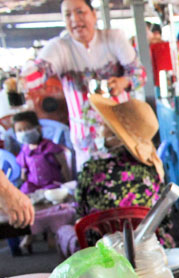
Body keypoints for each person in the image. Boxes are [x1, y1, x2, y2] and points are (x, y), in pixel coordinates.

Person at [23, 0, 146, 171]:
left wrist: (122, 82)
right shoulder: (60, 47)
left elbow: (140, 74)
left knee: (130, 183)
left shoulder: (114, 38)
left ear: (94, 14)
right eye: (68, 14)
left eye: (80, 12)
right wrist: (23, 77)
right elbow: (37, 73)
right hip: (86, 139)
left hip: (121, 133)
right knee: (93, 187)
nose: (74, 19)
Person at [71, 94, 172, 248]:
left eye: (103, 126)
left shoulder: (91, 170)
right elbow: (165, 219)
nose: (98, 131)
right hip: (151, 252)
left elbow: (80, 215)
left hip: (104, 255)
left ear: (116, 137)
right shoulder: (154, 170)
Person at [13, 111, 70, 195]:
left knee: (52, 193)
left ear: (38, 128)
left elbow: (64, 167)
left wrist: (67, 185)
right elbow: (23, 174)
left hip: (52, 185)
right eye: (19, 130)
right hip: (33, 187)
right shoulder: (24, 151)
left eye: (27, 128)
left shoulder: (50, 147)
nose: (24, 133)